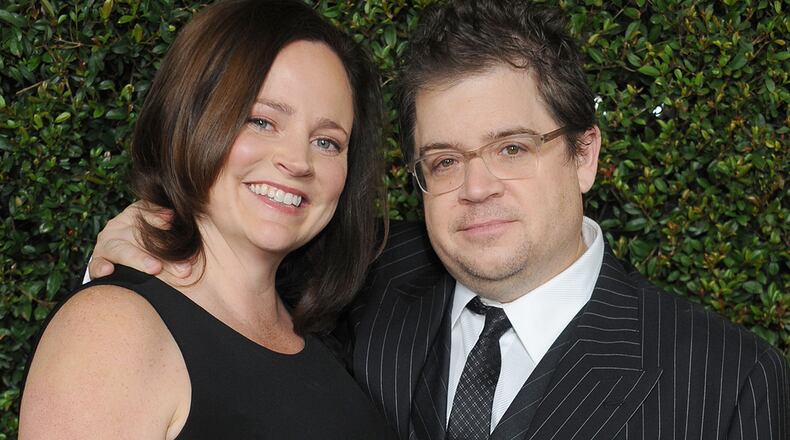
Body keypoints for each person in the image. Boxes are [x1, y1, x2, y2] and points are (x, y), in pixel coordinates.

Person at [83, 0, 790, 439]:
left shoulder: (728, 381)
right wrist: (132, 253)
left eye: (512, 147)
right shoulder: (361, 288)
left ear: (583, 154)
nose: (476, 187)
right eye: (444, 160)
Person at [19, 0, 396, 438]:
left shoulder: (332, 336)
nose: (297, 161)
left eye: (328, 142)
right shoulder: (112, 331)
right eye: (261, 120)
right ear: (191, 121)